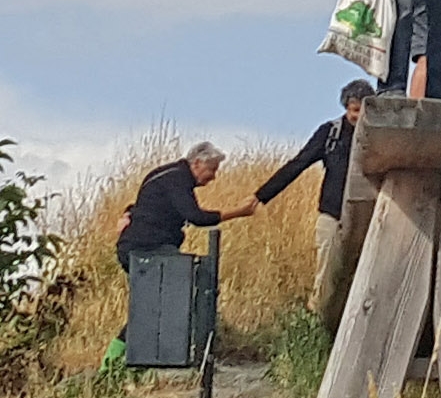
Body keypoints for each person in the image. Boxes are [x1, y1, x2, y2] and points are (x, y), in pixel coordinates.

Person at [102, 142, 256, 370]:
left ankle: (120, 365)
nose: (213, 177)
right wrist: (239, 212)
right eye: (212, 169)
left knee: (151, 307)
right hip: (147, 250)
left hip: (141, 248)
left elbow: (144, 201)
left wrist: (127, 213)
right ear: (197, 163)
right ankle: (116, 364)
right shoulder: (177, 180)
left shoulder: (164, 174)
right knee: (170, 300)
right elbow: (196, 217)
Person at [252, 80, 374, 321]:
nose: (357, 116)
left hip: (367, 218)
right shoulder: (331, 133)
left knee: (362, 275)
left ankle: (351, 324)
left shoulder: (377, 136)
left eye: (362, 110)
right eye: (353, 109)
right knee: (326, 274)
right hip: (331, 214)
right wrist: (261, 195)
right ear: (346, 108)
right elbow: (299, 164)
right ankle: (318, 323)